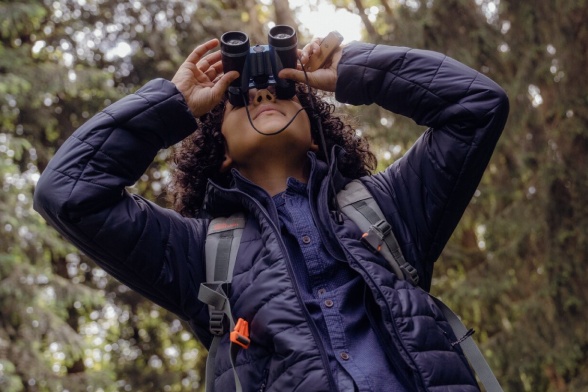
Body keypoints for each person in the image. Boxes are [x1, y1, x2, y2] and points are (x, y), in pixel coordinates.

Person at [34, 32, 509, 391]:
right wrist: (172, 104)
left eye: (284, 91)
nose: (263, 94)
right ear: (220, 150)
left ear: (314, 128)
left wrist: (353, 70)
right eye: (239, 97)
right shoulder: (200, 253)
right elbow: (69, 193)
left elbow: (477, 106)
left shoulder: (387, 206)